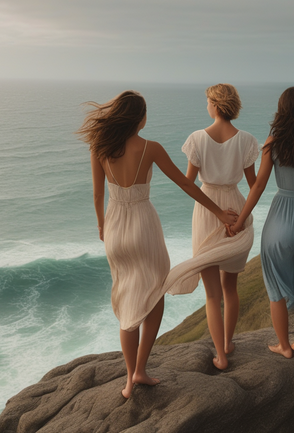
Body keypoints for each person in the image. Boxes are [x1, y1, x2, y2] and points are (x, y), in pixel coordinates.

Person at [77, 90, 237, 398]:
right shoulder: (150, 148)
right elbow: (186, 183)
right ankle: (140, 369)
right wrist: (218, 212)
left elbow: (98, 195)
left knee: (127, 301)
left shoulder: (99, 147)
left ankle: (127, 381)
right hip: (143, 225)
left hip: (115, 227)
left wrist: (101, 224)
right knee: (155, 293)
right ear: (140, 118)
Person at [230, 86, 294, 358]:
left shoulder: (272, 142)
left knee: (275, 288)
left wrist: (240, 221)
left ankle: (284, 346)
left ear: (282, 111)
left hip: (280, 220)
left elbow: (258, 186)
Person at [178, 83, 259, 370]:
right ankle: (227, 343)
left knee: (212, 293)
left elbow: (188, 184)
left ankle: (221, 356)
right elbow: (254, 186)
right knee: (230, 288)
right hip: (236, 208)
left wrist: (217, 213)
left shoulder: (197, 139)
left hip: (207, 208)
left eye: (208, 101)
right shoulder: (247, 140)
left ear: (215, 104)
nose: (207, 106)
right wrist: (238, 218)